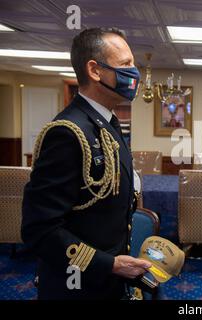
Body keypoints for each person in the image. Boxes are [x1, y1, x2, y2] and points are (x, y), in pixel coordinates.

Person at [22, 28, 151, 299]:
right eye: (126, 64)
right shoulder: (68, 132)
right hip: (76, 286)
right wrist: (108, 264)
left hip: (108, 282)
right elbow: (40, 230)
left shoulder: (107, 123)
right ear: (95, 70)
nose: (134, 72)